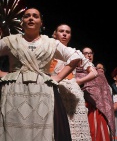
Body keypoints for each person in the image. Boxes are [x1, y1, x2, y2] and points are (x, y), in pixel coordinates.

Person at [0, 8, 82, 141]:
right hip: (15, 90)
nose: (31, 18)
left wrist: (58, 77)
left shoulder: (50, 43)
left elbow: (75, 56)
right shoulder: (10, 41)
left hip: (42, 90)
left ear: (41, 22)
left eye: (35, 16)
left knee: (42, 128)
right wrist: (3, 74)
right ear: (22, 22)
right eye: (27, 16)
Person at [51, 24, 98, 140]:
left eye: (68, 32)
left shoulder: (75, 53)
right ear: (55, 33)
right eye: (61, 31)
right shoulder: (49, 50)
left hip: (73, 93)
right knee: (57, 126)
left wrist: (79, 81)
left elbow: (94, 73)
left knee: (76, 127)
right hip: (55, 91)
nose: (64, 34)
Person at [76, 47, 115, 141]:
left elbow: (106, 94)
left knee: (99, 133)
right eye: (85, 53)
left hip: (99, 109)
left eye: (91, 53)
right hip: (82, 107)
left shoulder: (99, 73)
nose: (89, 55)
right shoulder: (75, 70)